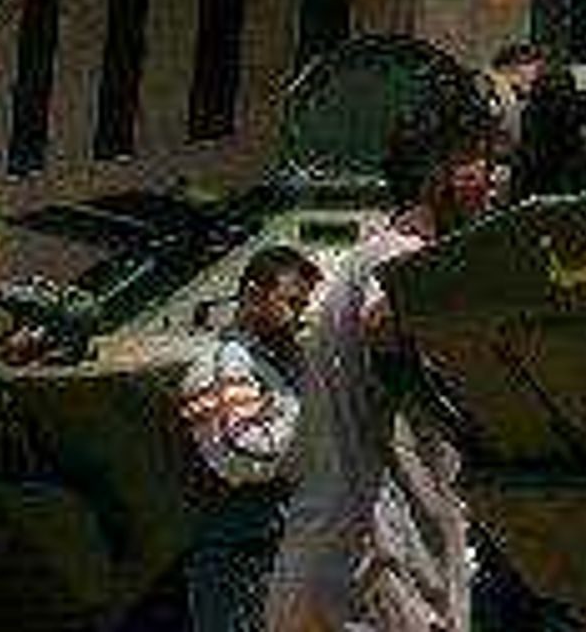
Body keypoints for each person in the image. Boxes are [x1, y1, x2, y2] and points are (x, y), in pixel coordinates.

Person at [265, 79, 507, 632]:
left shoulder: (368, 256)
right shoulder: (402, 256)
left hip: (333, 556)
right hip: (375, 565)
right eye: (476, 160)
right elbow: (383, 319)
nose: (491, 178)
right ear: (430, 171)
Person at [180, 244, 316, 632]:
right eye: (291, 303)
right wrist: (312, 426)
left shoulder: (273, 366)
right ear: (254, 296)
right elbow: (241, 455)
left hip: (279, 552)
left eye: (303, 306)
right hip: (241, 561)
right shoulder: (222, 364)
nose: (298, 317)